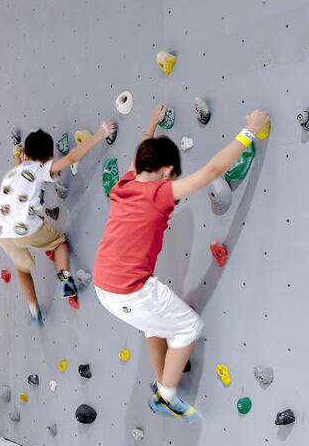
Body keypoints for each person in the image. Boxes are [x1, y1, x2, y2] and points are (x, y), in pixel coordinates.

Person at [93, 104, 269, 421]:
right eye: (173, 175)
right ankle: (166, 396)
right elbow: (213, 171)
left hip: (104, 287)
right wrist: (250, 131)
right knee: (188, 327)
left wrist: (152, 122)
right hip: (130, 291)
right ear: (166, 171)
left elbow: (139, 151)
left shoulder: (126, 183)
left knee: (152, 325)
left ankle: (163, 382)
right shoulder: (160, 193)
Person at [0, 122, 116, 324]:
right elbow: (71, 158)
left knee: (22, 268)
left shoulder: (14, 170)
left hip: (4, 234)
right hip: (27, 229)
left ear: (25, 155)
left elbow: (17, 159)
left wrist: (17, 149)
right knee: (60, 244)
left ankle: (34, 310)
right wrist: (100, 134)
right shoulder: (40, 169)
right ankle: (66, 279)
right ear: (48, 158)